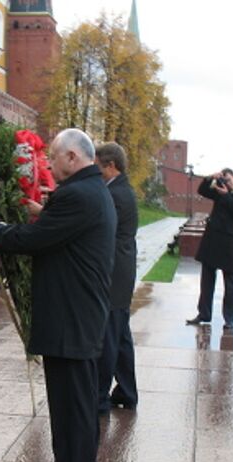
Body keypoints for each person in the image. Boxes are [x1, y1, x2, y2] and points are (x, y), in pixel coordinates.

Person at [0, 128, 116, 462]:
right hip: (71, 314)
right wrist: (43, 211)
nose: (48, 165)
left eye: (53, 157)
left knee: (78, 407)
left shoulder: (80, 195)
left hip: (74, 317)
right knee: (64, 403)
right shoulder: (87, 191)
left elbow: (35, 241)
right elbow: (57, 232)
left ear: (72, 157)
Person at [94, 142, 138, 415]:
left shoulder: (116, 194)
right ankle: (126, 391)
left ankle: (99, 398)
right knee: (120, 337)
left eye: (98, 167)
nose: (95, 172)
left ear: (111, 166)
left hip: (114, 273)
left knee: (109, 337)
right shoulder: (120, 190)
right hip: (122, 272)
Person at [186, 168, 233, 330]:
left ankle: (229, 319)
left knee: (231, 282)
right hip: (213, 238)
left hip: (230, 242)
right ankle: (204, 313)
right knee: (207, 280)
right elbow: (202, 190)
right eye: (225, 180)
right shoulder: (219, 189)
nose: (227, 184)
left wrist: (226, 196)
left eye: (230, 180)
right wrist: (211, 177)